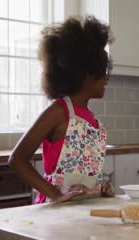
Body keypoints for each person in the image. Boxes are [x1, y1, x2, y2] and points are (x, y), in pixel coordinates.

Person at [9, 15, 114, 203]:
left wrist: (100, 188)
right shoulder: (59, 112)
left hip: (82, 209)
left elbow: (85, 175)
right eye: (102, 72)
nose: (106, 79)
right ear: (85, 74)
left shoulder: (91, 119)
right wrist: (56, 194)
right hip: (54, 212)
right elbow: (17, 159)